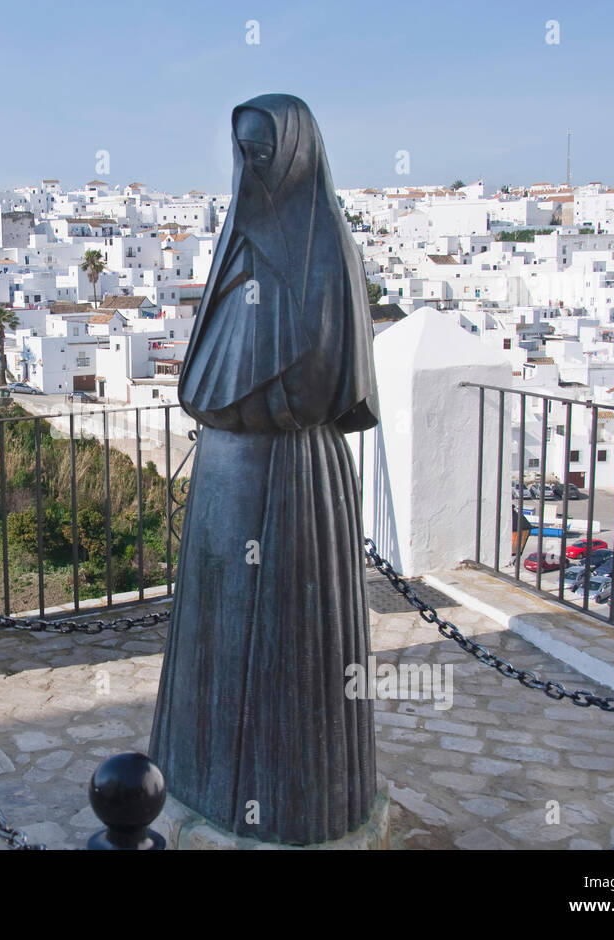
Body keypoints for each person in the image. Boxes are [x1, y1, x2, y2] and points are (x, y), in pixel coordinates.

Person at [149, 94, 380, 844]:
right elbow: (216, 363)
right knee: (217, 646)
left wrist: (244, 397)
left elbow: (318, 376)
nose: (248, 167)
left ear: (293, 157)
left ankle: (290, 802)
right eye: (241, 153)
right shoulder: (244, 238)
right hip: (229, 472)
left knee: (286, 659)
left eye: (260, 153)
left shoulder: (321, 246)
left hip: (291, 479)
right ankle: (199, 782)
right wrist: (231, 397)